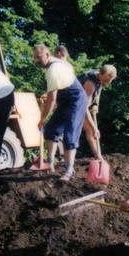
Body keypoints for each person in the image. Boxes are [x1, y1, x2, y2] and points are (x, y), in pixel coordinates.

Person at [32, 44, 88, 181]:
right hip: (65, 99)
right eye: (34, 58)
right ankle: (49, 163)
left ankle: (69, 171)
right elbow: (64, 79)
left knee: (69, 134)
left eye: (39, 57)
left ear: (46, 55)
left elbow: (51, 100)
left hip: (75, 99)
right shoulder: (58, 63)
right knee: (51, 129)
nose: (36, 60)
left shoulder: (53, 70)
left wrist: (42, 119)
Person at [79, 65, 117, 160]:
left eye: (109, 81)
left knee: (90, 129)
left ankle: (98, 157)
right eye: (104, 80)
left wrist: (96, 103)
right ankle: (98, 157)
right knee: (90, 129)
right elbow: (84, 106)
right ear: (99, 74)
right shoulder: (90, 83)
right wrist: (94, 127)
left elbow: (99, 88)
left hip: (79, 105)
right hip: (69, 104)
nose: (106, 83)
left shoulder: (101, 77)